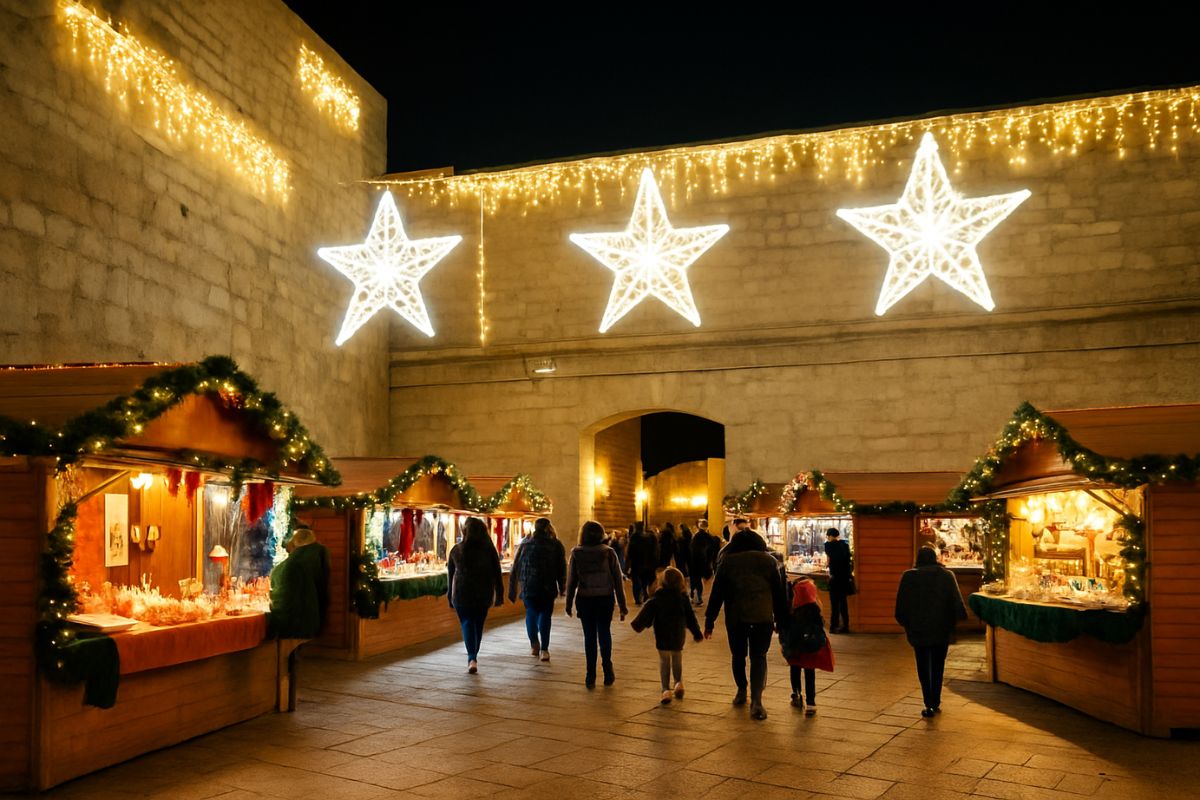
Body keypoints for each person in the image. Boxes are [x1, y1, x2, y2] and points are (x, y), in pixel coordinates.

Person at [704, 523, 788, 720]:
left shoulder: (728, 562)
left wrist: (709, 621)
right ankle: (757, 700)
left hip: (736, 617)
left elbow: (717, 594)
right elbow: (779, 594)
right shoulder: (769, 562)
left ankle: (741, 690)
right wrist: (782, 620)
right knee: (759, 656)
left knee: (738, 655)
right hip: (762, 617)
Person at [894, 546, 968, 717]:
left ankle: (928, 702)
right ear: (934, 558)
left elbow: (901, 605)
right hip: (941, 628)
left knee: (922, 665)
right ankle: (936, 700)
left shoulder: (909, 576)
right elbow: (957, 603)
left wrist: (906, 624)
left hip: (918, 629)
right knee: (937, 666)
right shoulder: (947, 576)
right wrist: (954, 623)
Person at [566, 520, 629, 687]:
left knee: (589, 637)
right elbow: (617, 581)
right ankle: (607, 669)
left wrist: (568, 602)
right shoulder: (608, 552)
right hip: (605, 598)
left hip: (585, 599)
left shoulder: (576, 553)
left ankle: (590, 674)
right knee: (604, 633)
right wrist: (622, 605)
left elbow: (571, 580)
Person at [631, 566, 703, 704]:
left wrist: (638, 624)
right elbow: (690, 617)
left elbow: (646, 611)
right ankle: (678, 683)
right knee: (677, 657)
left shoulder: (657, 598)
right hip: (678, 634)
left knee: (664, 661)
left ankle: (665, 690)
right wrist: (696, 632)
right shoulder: (683, 598)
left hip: (662, 635)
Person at [447, 517, 504, 674]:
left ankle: (472, 657)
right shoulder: (489, 550)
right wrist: (500, 593)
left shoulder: (456, 550)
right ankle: (473, 655)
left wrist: (449, 596)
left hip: (461, 593)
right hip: (483, 593)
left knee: (466, 622)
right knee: (478, 624)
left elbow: (451, 575)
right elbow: (497, 573)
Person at [508, 517, 567, 662]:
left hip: (528, 585)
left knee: (531, 612)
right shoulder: (556, 544)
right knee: (545, 615)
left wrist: (512, 588)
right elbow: (561, 568)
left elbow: (516, 566)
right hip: (547, 586)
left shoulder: (525, 544)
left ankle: (534, 642)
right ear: (549, 528)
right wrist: (562, 585)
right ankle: (544, 650)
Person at [782, 577, 834, 716]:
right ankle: (811, 703)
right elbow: (821, 625)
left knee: (795, 669)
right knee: (809, 673)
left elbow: (785, 626)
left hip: (795, 648)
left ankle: (796, 694)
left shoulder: (792, 609)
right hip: (810, 648)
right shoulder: (815, 609)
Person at [268, 526, 331, 638]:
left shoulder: (291, 565)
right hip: (312, 620)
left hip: (293, 623)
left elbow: (281, 600)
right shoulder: (317, 558)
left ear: (293, 544)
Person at [824, 528, 852, 633]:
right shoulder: (845, 545)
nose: (827, 538)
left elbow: (829, 560)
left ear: (830, 536)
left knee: (834, 604)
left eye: (828, 536)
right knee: (843, 603)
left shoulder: (828, 546)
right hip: (844, 578)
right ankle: (846, 626)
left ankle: (833, 626)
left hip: (835, 578)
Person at [626, 521, 658, 605]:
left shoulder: (634, 537)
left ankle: (638, 598)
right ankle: (647, 595)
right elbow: (655, 551)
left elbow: (630, 552)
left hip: (637, 563)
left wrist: (628, 563)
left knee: (637, 581)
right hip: (649, 563)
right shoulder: (650, 537)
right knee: (646, 581)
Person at [689, 519, 718, 605]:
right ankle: (698, 597)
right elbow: (713, 550)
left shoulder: (697, 537)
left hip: (696, 562)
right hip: (705, 562)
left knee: (695, 580)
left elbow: (693, 550)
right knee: (699, 580)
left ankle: (695, 596)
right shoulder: (710, 538)